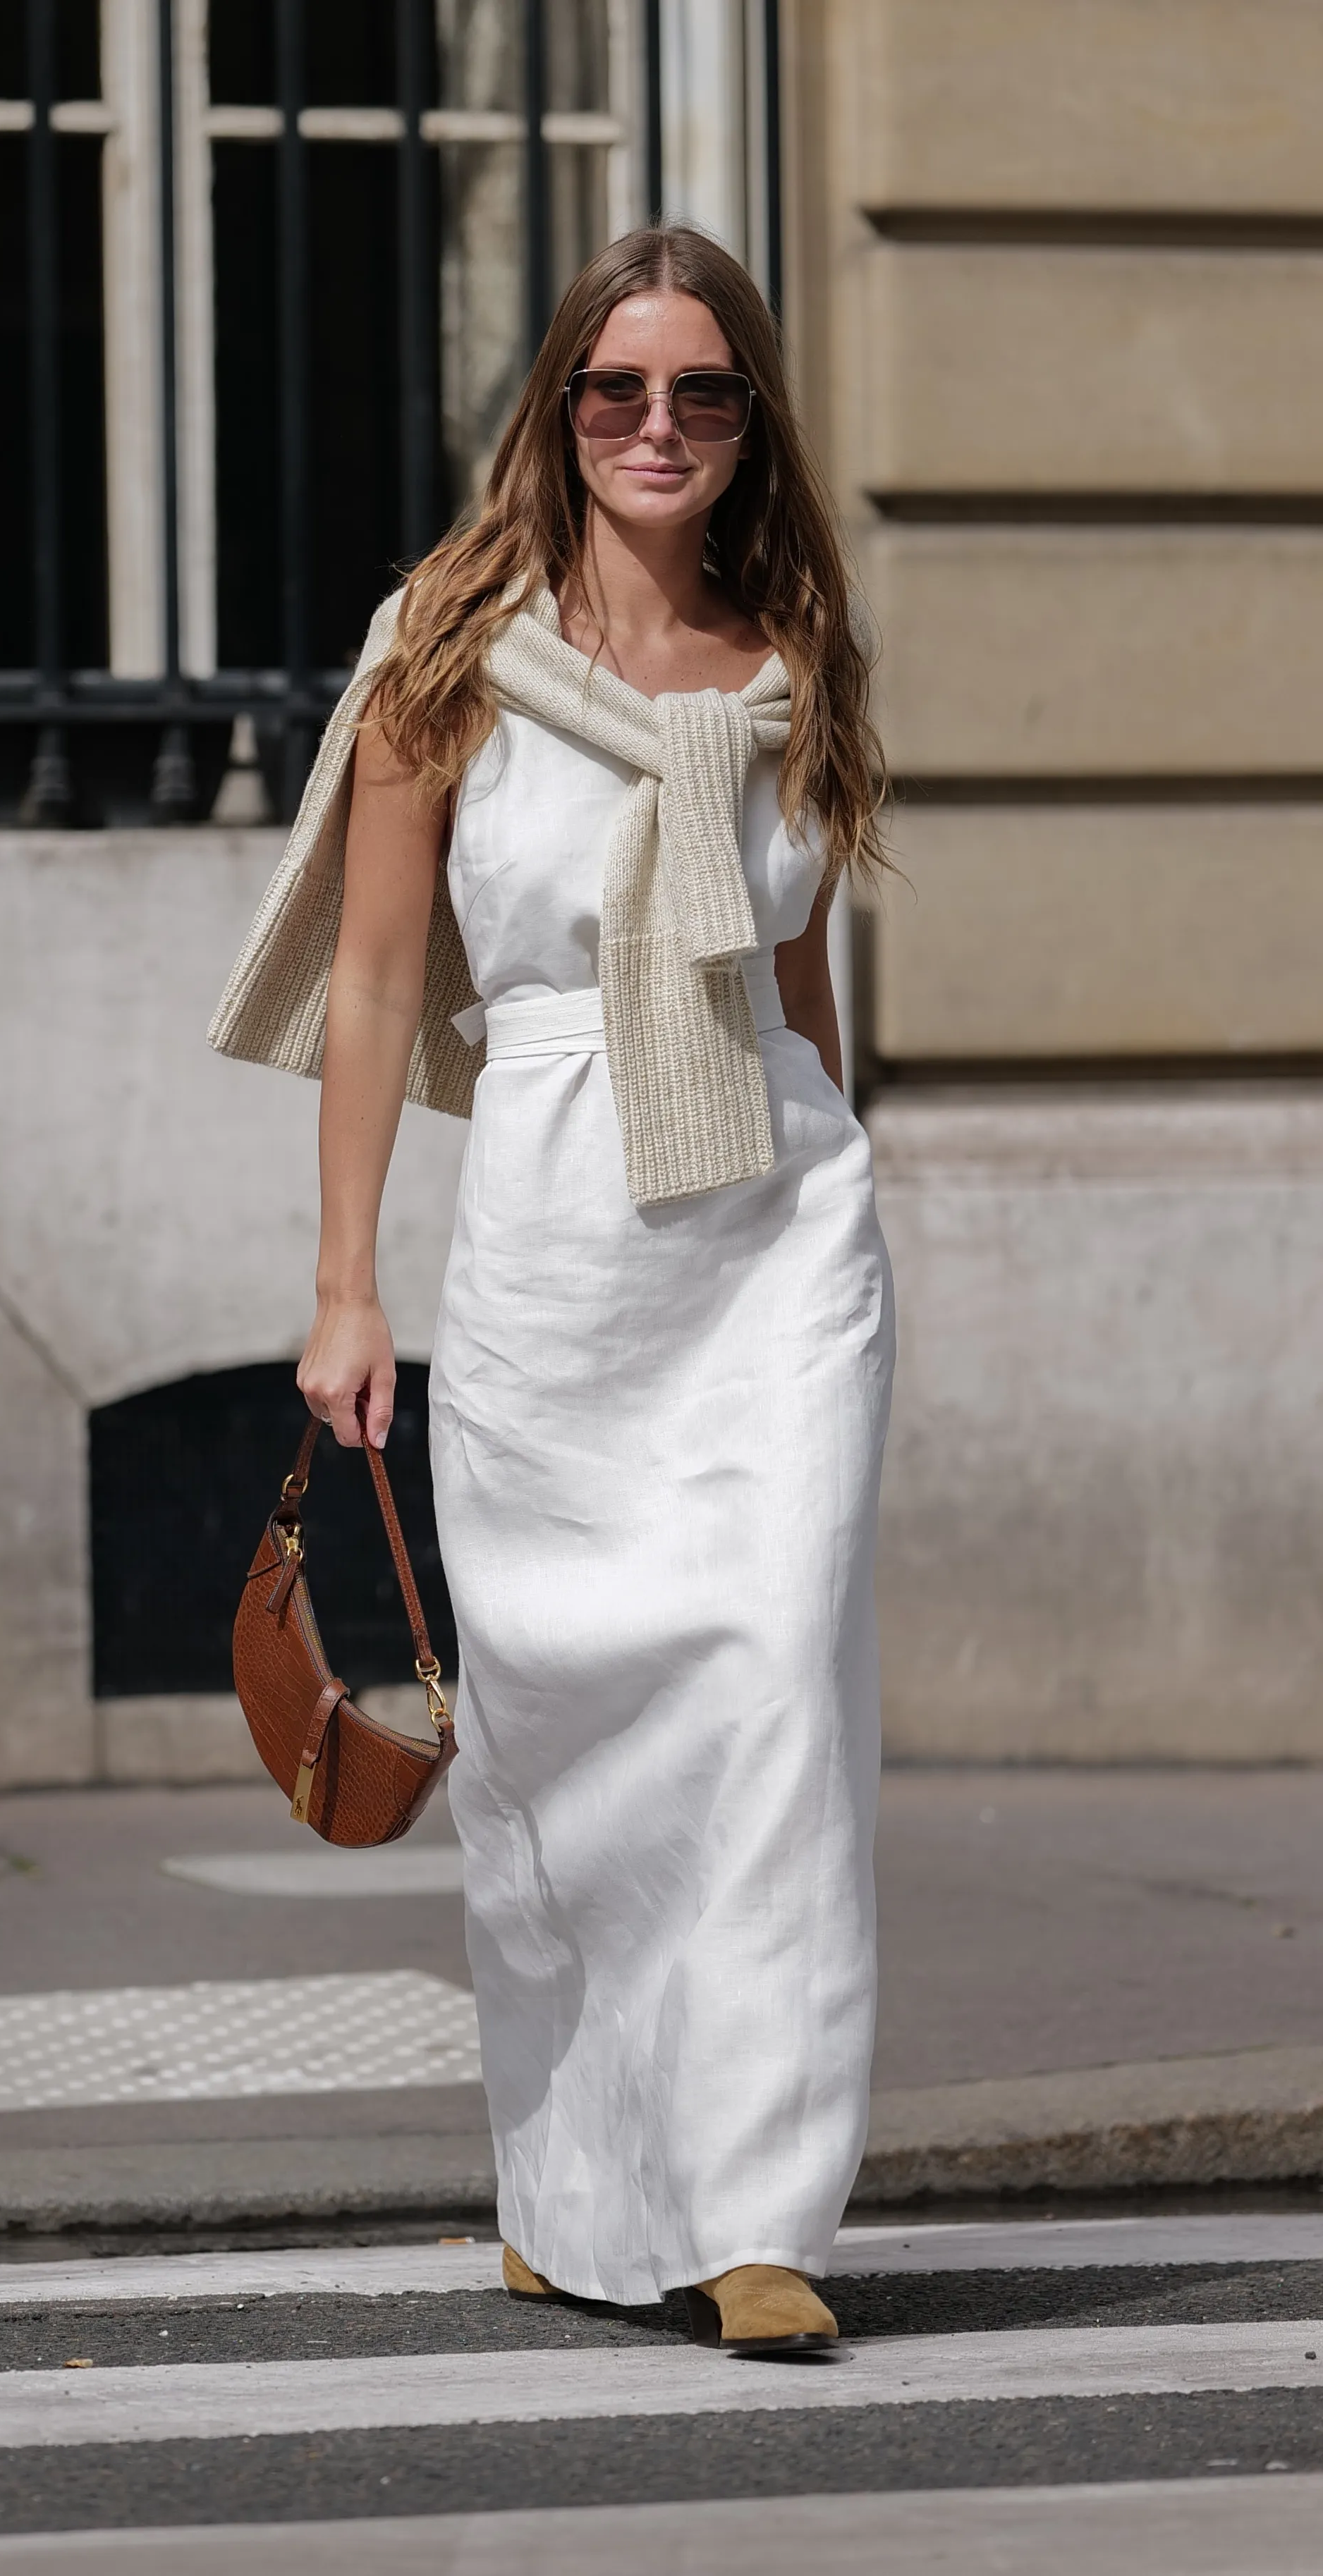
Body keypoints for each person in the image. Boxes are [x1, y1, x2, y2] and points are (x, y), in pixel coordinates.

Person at [207, 225, 895, 2356]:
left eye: (703, 392)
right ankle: (579, 2186)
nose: (659, 428)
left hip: (773, 1225)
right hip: (552, 1227)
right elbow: (384, 984)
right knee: (565, 1726)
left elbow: (794, 978)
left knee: (777, 1684)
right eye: (618, 391)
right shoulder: (450, 647)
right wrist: (346, 1286)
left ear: (748, 419)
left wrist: (832, 1170)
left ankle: (758, 2205)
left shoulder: (789, 650)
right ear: (560, 412)